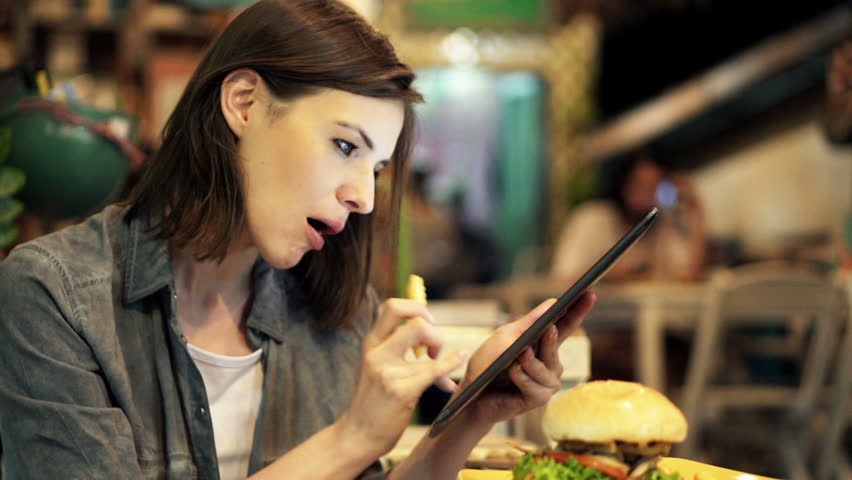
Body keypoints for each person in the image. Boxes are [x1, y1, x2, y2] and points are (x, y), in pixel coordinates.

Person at [0, 1, 596, 479]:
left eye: (377, 168)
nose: (364, 196)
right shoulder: (52, 296)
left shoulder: (335, 309)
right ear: (244, 103)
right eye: (344, 146)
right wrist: (353, 438)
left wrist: (470, 412)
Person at [552, 153, 707, 283]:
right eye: (640, 185)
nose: (647, 194)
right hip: (594, 314)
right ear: (623, 185)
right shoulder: (592, 218)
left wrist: (696, 214)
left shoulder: (662, 223)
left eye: (655, 186)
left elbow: (688, 276)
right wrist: (613, 274)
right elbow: (563, 277)